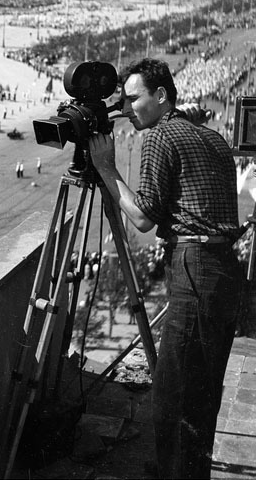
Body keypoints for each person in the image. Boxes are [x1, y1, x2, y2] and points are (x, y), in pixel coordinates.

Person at [88, 58, 243, 480]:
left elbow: (143, 218)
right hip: (226, 269)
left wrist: (105, 166)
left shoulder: (158, 136)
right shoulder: (211, 138)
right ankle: (187, 469)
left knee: (172, 393)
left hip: (195, 266)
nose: (129, 107)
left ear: (161, 96)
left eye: (134, 98)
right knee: (203, 390)